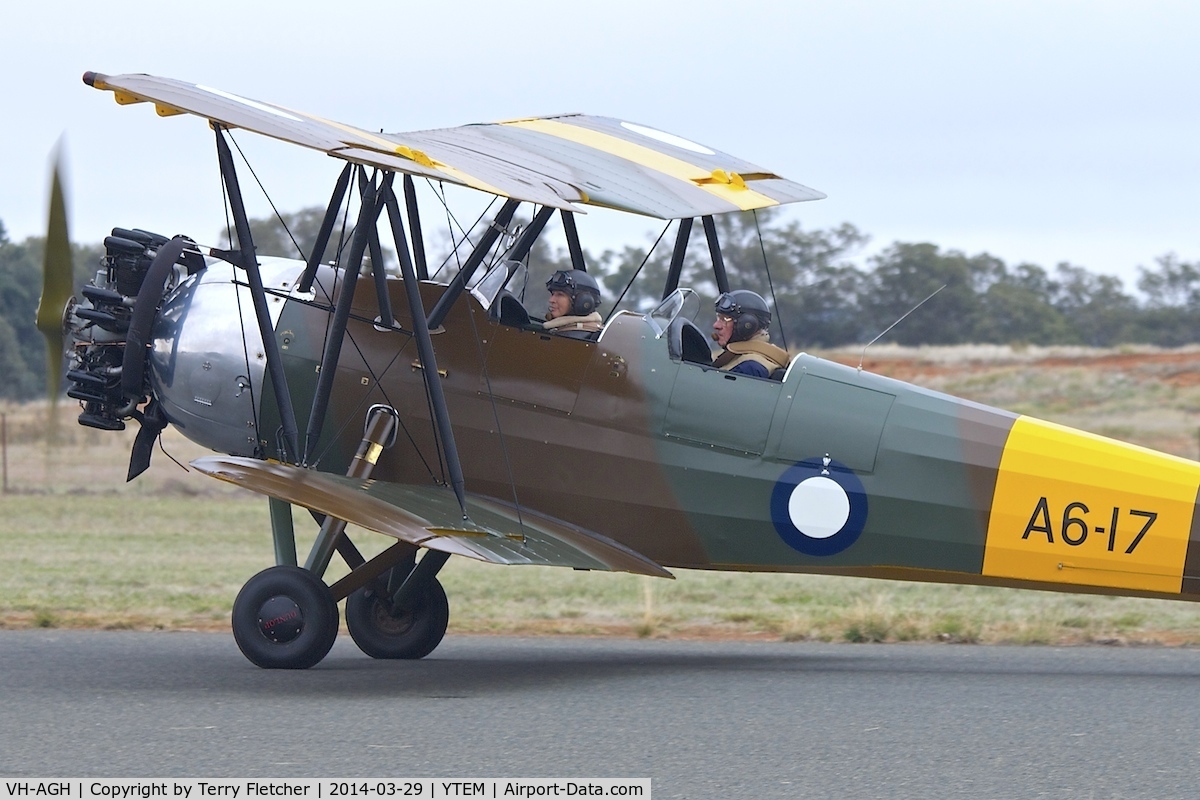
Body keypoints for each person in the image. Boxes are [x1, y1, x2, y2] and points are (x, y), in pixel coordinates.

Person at [710, 290, 789, 378]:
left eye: (725, 319)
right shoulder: (740, 357)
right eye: (718, 317)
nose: (716, 325)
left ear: (747, 324)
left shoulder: (749, 368)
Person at [542, 269, 603, 339]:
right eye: (553, 294)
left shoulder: (572, 340)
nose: (551, 300)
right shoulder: (559, 331)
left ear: (583, 301)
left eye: (560, 295)